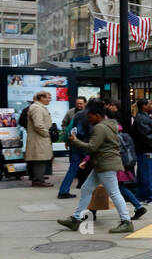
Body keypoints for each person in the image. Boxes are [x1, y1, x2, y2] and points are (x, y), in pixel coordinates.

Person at [57, 100, 134, 234]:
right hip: (102, 163)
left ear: (97, 115)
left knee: (114, 193)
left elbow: (92, 147)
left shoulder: (100, 127)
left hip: (105, 164)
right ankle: (76, 218)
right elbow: (100, 147)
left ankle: (126, 221)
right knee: (87, 189)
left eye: (90, 115)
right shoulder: (110, 124)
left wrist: (75, 141)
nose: (88, 118)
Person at [131, 98, 152, 205]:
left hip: (146, 151)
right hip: (148, 151)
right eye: (150, 104)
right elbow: (146, 136)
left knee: (143, 174)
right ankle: (151, 197)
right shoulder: (142, 119)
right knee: (149, 174)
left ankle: (142, 195)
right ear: (144, 106)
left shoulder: (143, 117)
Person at [58, 98, 89, 199]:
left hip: (76, 144)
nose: (79, 105)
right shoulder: (91, 115)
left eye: (81, 103)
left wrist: (68, 140)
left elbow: (69, 129)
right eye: (78, 103)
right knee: (97, 167)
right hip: (85, 145)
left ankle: (63, 190)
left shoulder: (77, 115)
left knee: (73, 168)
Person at [24, 91, 54, 187]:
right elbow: (38, 125)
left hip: (40, 138)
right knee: (39, 159)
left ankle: (39, 179)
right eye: (48, 97)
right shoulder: (36, 108)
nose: (50, 99)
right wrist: (47, 134)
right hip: (39, 139)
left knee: (41, 159)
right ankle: (38, 180)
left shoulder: (38, 107)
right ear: (42, 98)